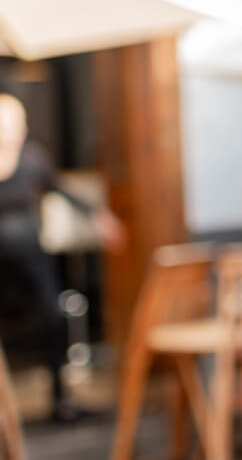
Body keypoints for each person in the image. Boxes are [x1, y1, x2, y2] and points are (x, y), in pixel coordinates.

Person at [0, 92, 122, 422]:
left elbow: (61, 188)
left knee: (53, 318)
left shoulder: (33, 159)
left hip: (32, 255)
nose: (9, 132)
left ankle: (59, 398)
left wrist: (98, 215)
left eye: (14, 125)